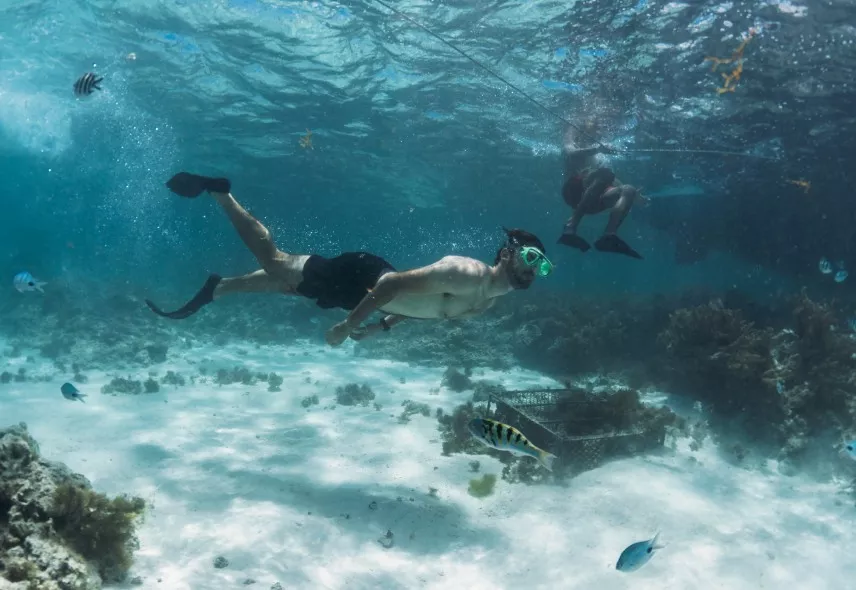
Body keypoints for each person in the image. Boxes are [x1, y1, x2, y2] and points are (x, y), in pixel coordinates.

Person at [146, 172, 554, 346]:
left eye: (543, 266)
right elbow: (392, 285)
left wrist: (381, 327)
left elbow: (427, 307)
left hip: (368, 295)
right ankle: (221, 193)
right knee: (276, 262)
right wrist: (348, 325)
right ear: (507, 253)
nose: (534, 270)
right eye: (532, 257)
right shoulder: (467, 274)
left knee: (290, 283)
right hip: (367, 276)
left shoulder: (486, 302)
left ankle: (219, 288)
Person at [557, 126, 643, 259]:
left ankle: (609, 236)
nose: (598, 131)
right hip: (573, 191)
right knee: (605, 173)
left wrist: (634, 196)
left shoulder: (600, 159)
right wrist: (597, 149)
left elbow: (610, 180)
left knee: (628, 189)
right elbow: (570, 152)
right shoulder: (573, 136)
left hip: (593, 201)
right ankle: (570, 226)